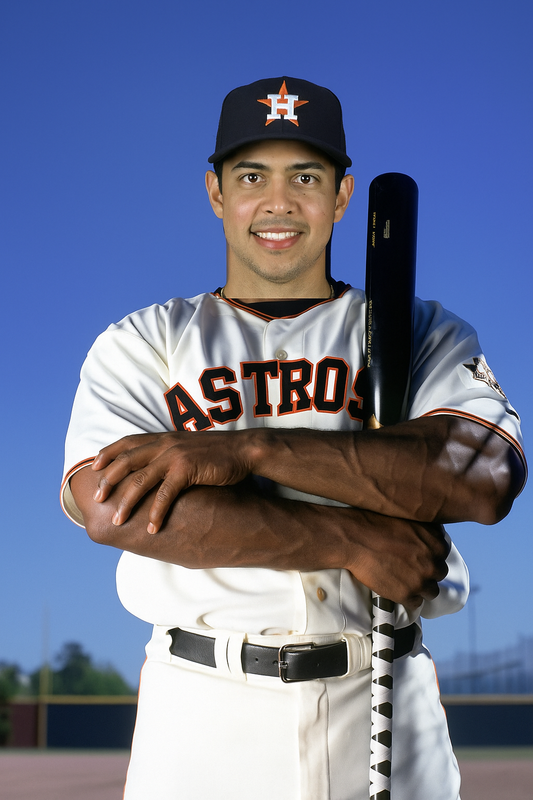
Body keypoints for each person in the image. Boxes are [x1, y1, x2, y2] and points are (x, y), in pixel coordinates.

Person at [61, 77, 526, 800]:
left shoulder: (422, 330)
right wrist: (349, 540)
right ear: (216, 192)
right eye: (253, 177)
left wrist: (246, 449)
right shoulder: (144, 342)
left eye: (304, 178)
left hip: (383, 693)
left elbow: (481, 474)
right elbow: (115, 506)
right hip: (202, 711)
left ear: (342, 196)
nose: (278, 202)